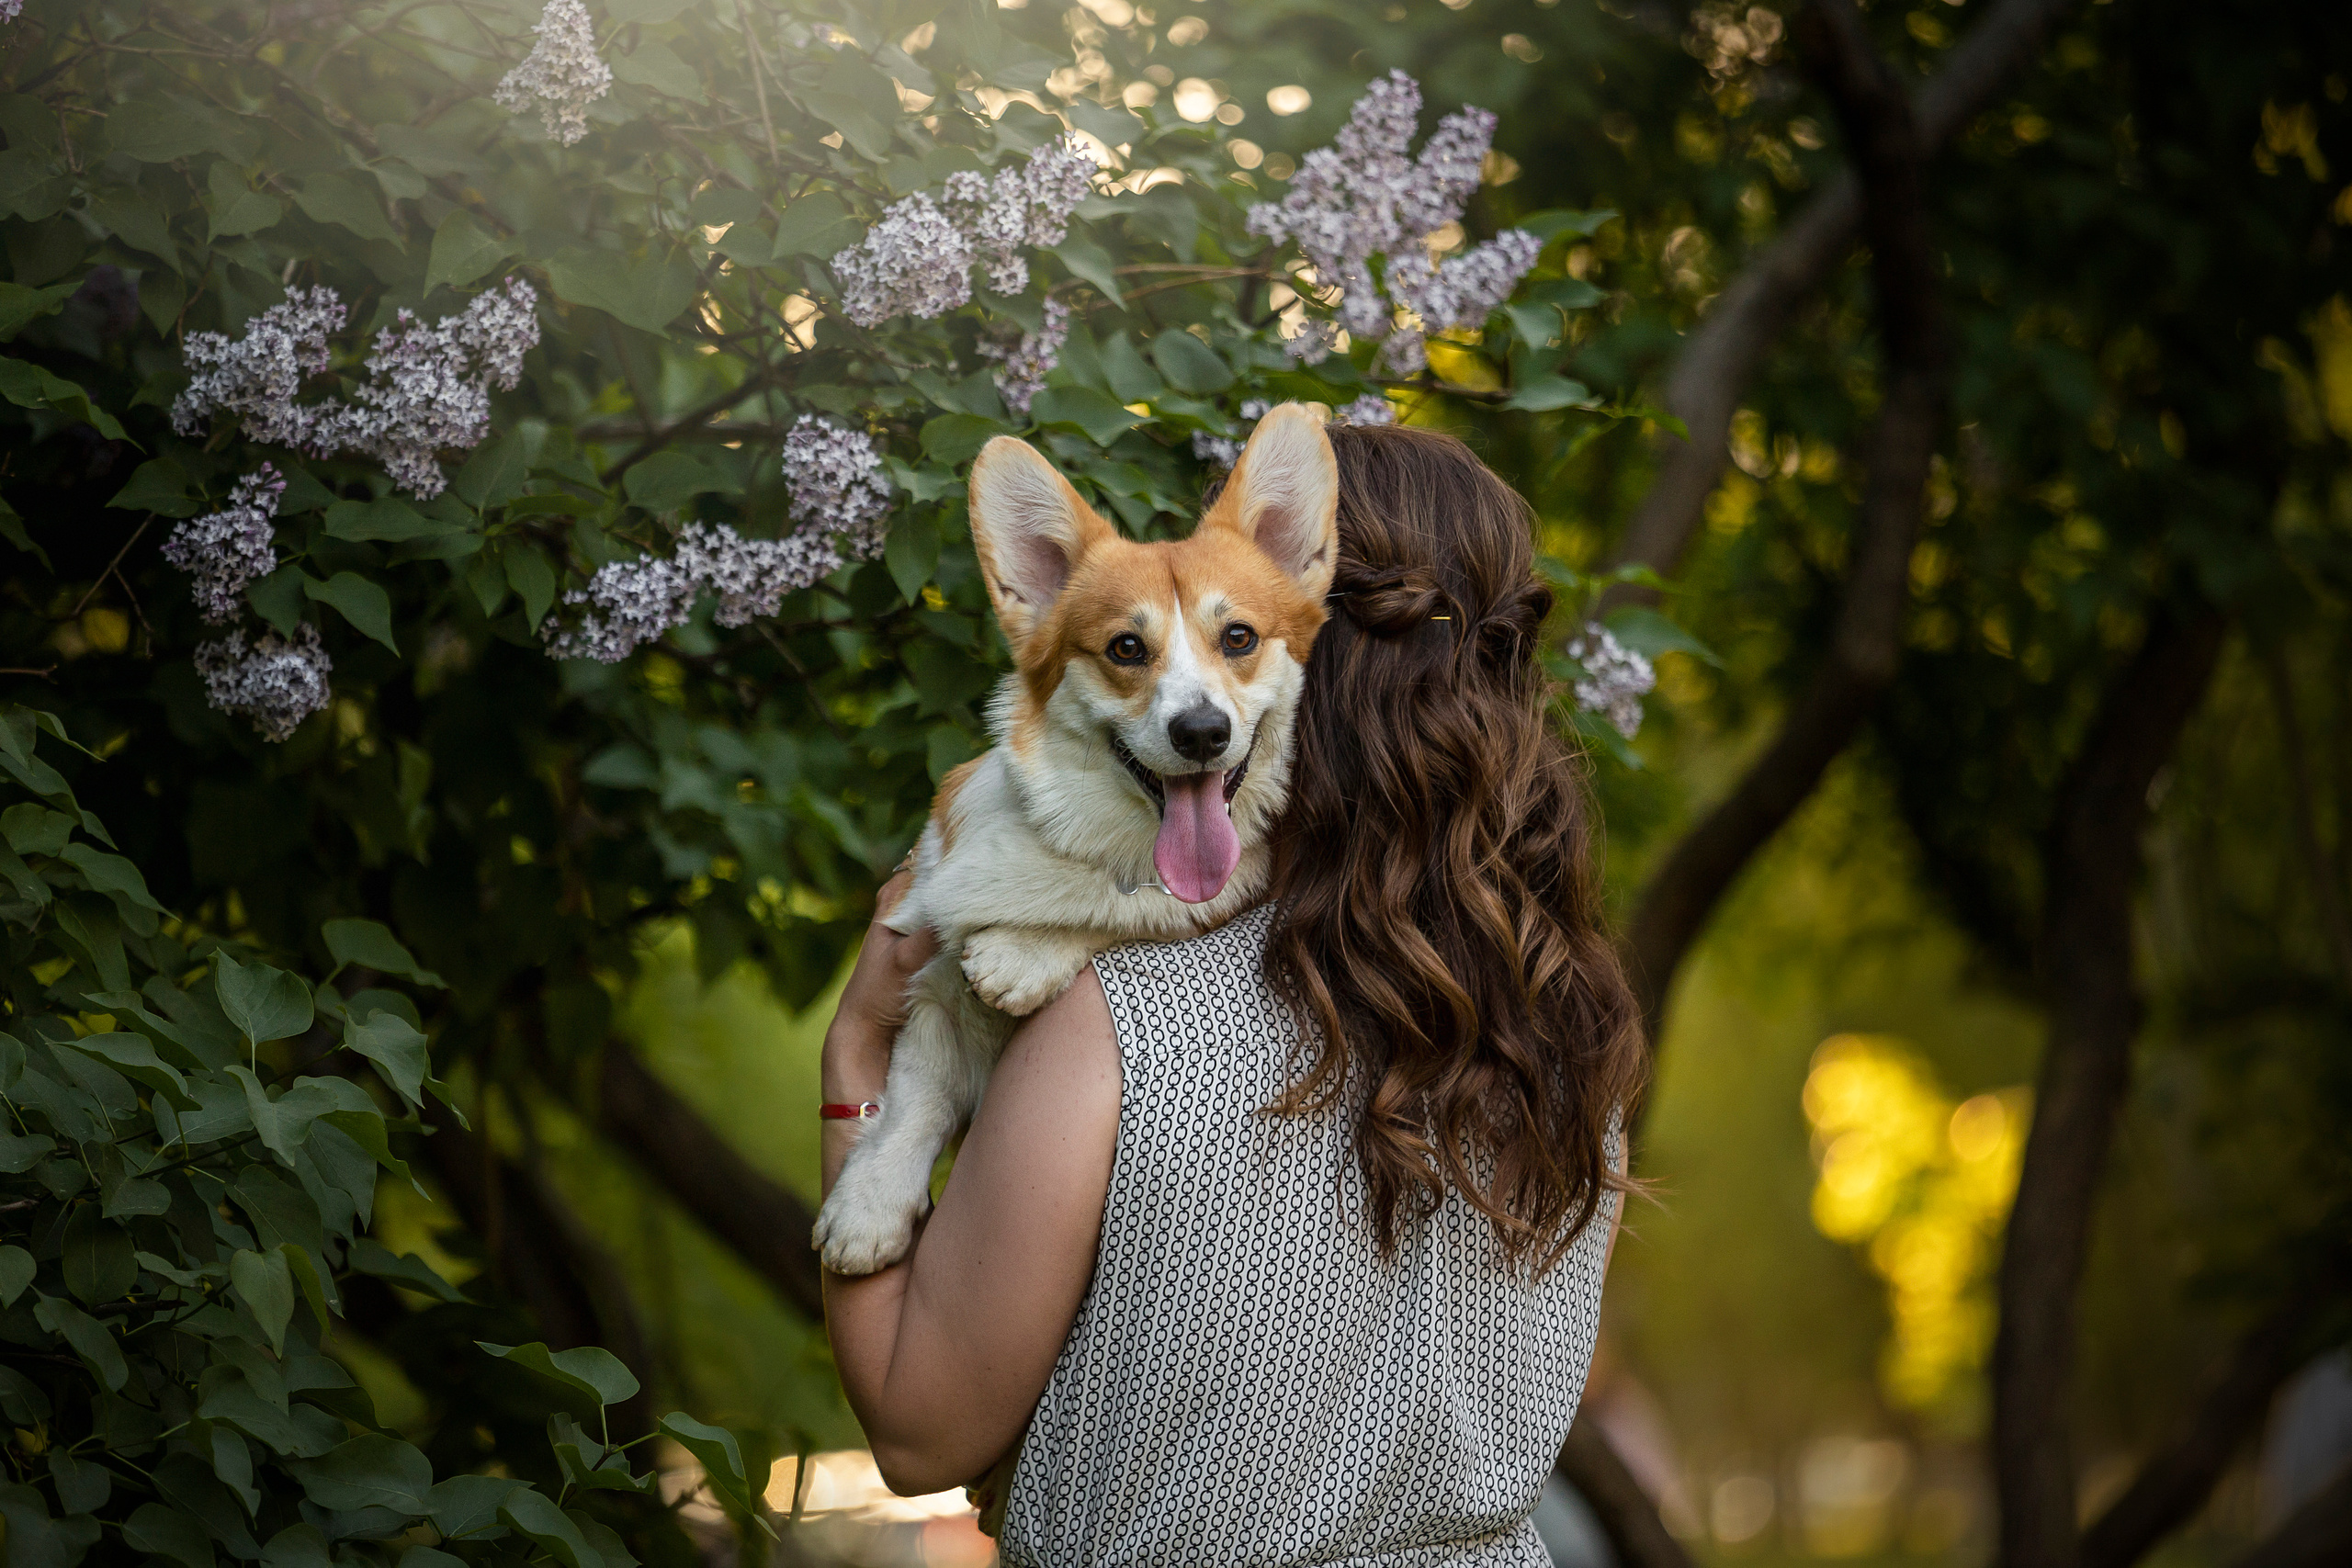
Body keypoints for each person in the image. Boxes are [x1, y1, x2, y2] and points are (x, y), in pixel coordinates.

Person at [819, 423, 1647, 1564]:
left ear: (1310, 651)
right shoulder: (1566, 1035)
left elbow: (917, 1433)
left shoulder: (1117, 1026)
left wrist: (860, 1056)